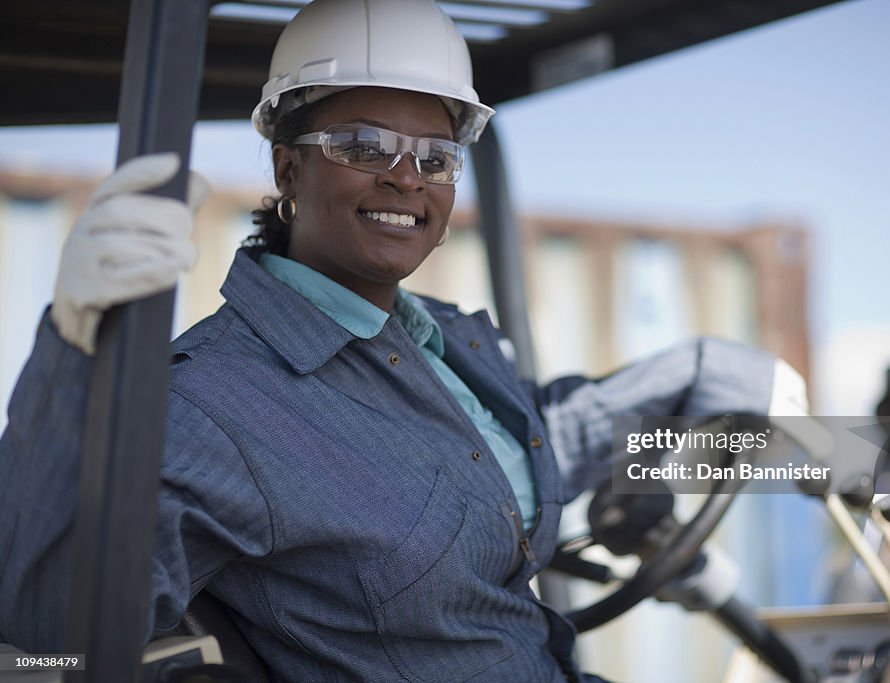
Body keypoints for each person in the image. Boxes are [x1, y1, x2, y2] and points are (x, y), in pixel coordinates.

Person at [0, 0, 808, 680]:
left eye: (436, 156)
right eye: (361, 146)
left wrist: (721, 383)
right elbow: (58, 642)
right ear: (286, 170)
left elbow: (526, 448)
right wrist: (72, 354)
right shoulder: (213, 404)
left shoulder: (446, 344)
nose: (406, 177)